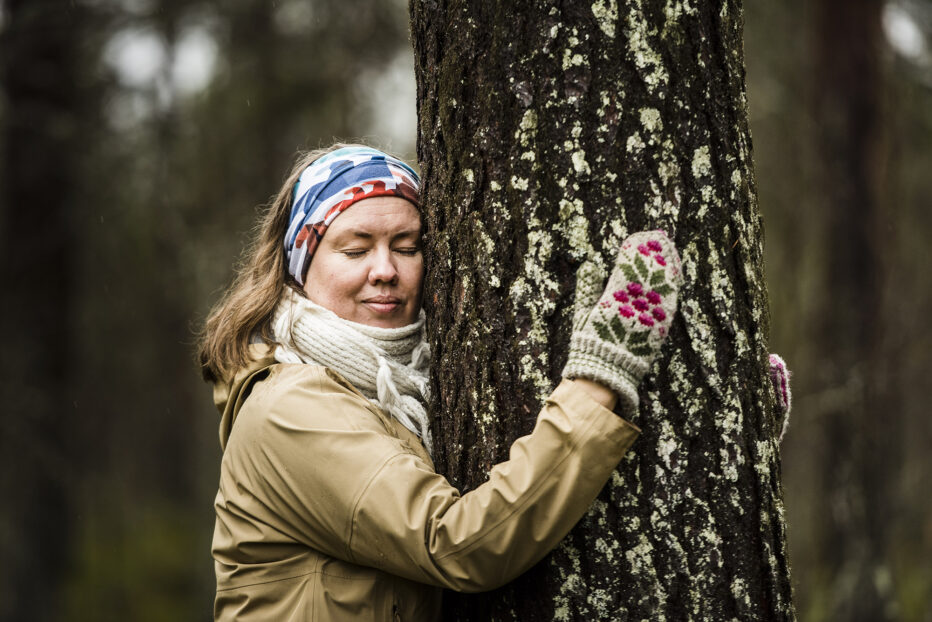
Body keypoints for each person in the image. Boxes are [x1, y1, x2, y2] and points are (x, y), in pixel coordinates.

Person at [198, 144, 686, 621]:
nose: (385, 270)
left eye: (407, 248)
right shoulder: (288, 407)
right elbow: (458, 544)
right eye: (355, 249)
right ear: (299, 266)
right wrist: (596, 379)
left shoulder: (400, 391)